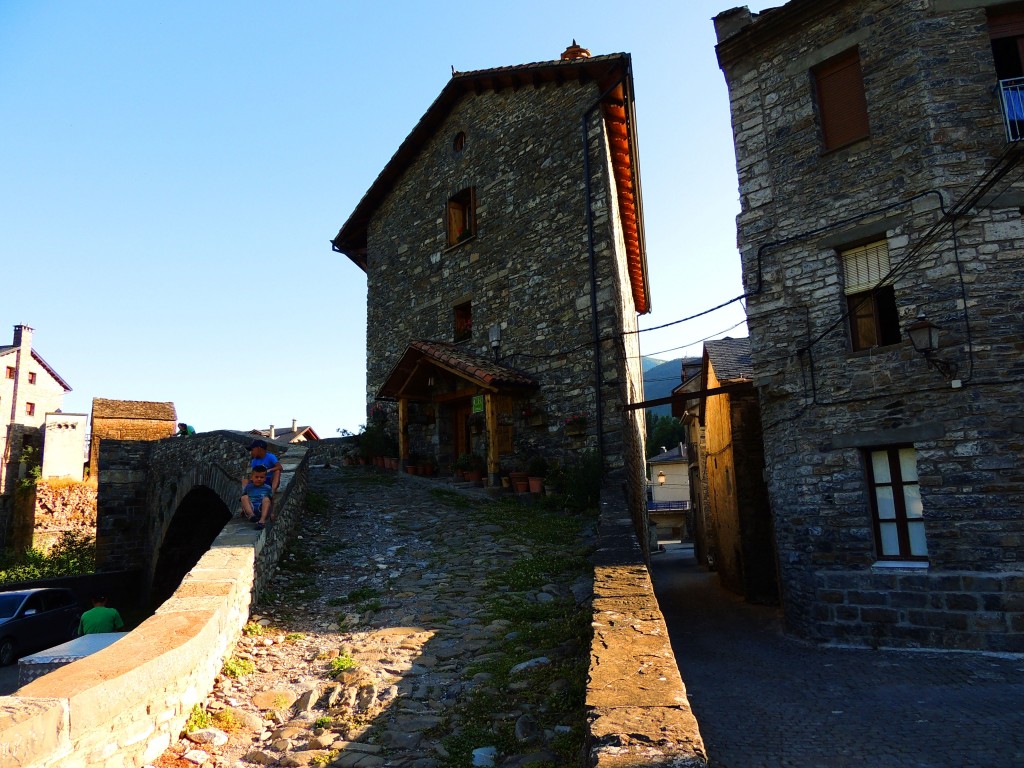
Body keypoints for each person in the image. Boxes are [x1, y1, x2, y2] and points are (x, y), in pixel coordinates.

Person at [241, 465, 273, 530]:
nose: (259, 479)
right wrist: (243, 509)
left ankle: (262, 521)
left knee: (266, 499)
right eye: (256, 477)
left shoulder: (268, 488)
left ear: (265, 478)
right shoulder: (248, 487)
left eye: (261, 477)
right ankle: (252, 516)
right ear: (252, 478)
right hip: (251, 508)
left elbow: (271, 500)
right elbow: (244, 500)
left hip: (262, 508)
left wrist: (272, 512)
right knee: (244, 497)